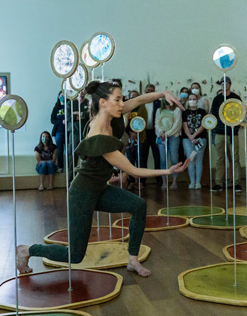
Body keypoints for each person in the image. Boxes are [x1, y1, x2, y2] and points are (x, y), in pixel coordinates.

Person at [17, 80, 189, 277]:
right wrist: (168, 171)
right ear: (103, 103)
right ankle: (27, 250)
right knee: (75, 255)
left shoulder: (111, 114)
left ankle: (132, 259)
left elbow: (140, 99)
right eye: (117, 99)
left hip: (99, 188)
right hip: (82, 193)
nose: (122, 103)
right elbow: (133, 171)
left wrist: (163, 93)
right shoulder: (99, 135)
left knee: (138, 205)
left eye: (121, 98)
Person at [209, 76, 242, 192]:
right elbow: (213, 115)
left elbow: (240, 114)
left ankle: (236, 182)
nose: (224, 85)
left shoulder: (236, 98)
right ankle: (218, 182)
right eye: (222, 83)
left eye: (226, 83)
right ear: (220, 85)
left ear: (230, 84)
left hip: (233, 132)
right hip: (219, 132)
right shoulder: (216, 99)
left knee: (235, 158)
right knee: (219, 158)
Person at [182, 93, 207, 188]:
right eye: (190, 99)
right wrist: (190, 136)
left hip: (200, 139)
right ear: (188, 101)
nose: (192, 101)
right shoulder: (185, 112)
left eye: (194, 99)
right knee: (190, 160)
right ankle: (192, 181)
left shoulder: (202, 111)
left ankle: (198, 182)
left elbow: (203, 125)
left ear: (197, 101)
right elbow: (185, 126)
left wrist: (195, 136)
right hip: (187, 139)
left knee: (199, 160)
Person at [156, 100, 183, 190]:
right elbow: (157, 123)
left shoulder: (177, 110)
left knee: (174, 159)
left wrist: (167, 134)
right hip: (161, 136)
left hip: (173, 137)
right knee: (163, 160)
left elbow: (177, 124)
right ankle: (164, 182)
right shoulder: (159, 110)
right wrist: (161, 133)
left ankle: (174, 182)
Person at [142, 83, 161, 174]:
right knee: (143, 156)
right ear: (145, 91)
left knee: (157, 156)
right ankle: (143, 180)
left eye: (151, 90)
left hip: (155, 132)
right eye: (148, 90)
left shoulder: (159, 103)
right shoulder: (141, 103)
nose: (149, 92)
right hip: (144, 132)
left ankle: (159, 180)